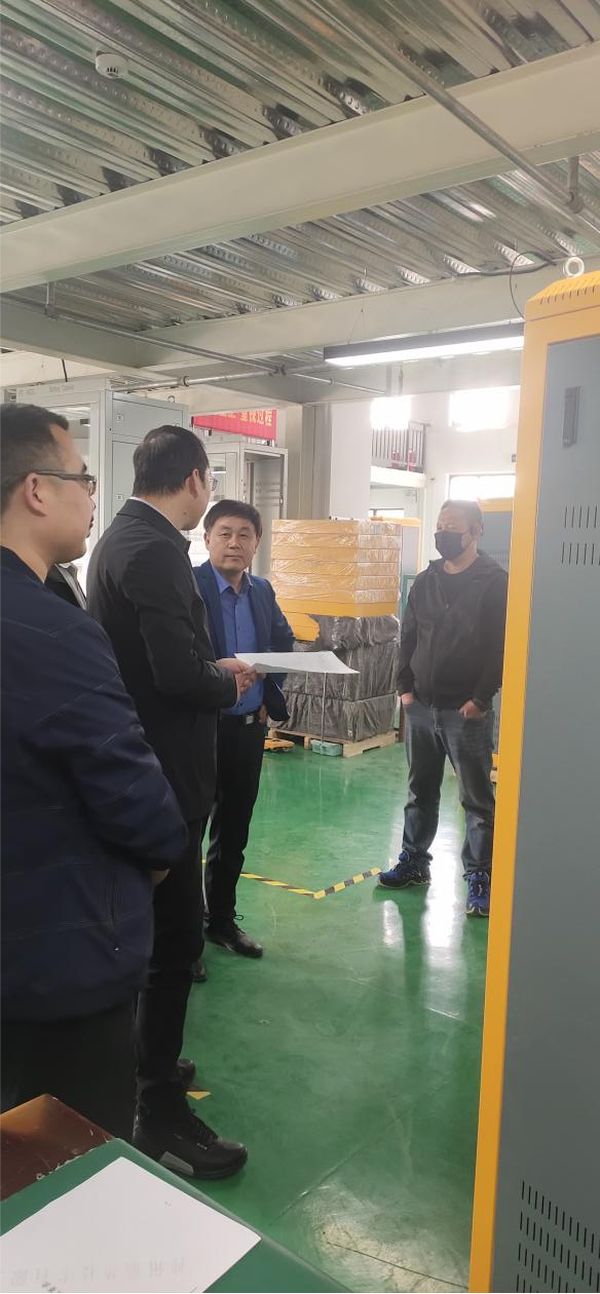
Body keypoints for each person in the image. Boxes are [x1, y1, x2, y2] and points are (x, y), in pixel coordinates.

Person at [0, 403, 187, 1139]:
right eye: (81, 477)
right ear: (36, 491)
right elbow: (132, 796)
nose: (90, 494)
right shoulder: (49, 629)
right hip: (54, 957)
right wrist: (163, 854)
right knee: (65, 1164)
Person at [87, 425, 253, 1179]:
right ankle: (157, 1110)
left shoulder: (119, 541)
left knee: (156, 935)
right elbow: (179, 676)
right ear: (193, 479)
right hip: (165, 779)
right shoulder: (154, 550)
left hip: (146, 768)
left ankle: (149, 1059)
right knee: (176, 942)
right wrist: (227, 678)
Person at [379, 500, 508, 917]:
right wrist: (404, 689)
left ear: (477, 531)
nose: (443, 533)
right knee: (420, 790)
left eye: (452, 526)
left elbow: (500, 648)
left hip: (465, 712)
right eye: (440, 525)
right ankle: (415, 861)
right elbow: (408, 637)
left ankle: (480, 875)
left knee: (476, 799)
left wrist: (481, 698)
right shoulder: (426, 581)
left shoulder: (494, 583)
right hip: (421, 706)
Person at [194, 500, 294, 960]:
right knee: (189, 833)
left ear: (256, 543)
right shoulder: (189, 586)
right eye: (225, 533)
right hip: (200, 728)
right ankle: (184, 937)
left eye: (244, 535)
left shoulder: (262, 591)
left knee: (233, 832)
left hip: (249, 730)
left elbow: (282, 640)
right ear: (207, 538)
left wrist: (270, 683)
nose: (234, 543)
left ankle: (221, 922)